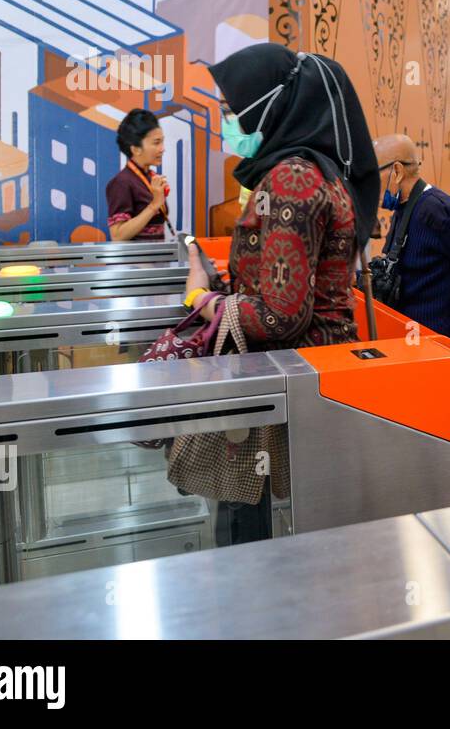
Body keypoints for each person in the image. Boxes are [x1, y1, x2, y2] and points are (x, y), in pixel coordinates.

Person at [184, 43, 379, 546]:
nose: (226, 122)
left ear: (266, 107)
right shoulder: (312, 169)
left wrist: (206, 302)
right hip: (309, 373)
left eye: (231, 112)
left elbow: (281, 315)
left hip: (292, 378)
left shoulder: (292, 178)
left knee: (262, 536)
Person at [372, 134, 450, 348]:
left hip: (436, 346)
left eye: (373, 176)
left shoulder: (440, 212)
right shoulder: (403, 209)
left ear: (397, 171)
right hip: (408, 340)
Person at [106, 108, 170, 241]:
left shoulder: (150, 177)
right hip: (133, 262)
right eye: (156, 143)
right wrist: (154, 205)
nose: (162, 148)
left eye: (162, 141)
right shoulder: (121, 183)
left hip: (155, 259)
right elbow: (117, 235)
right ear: (135, 149)